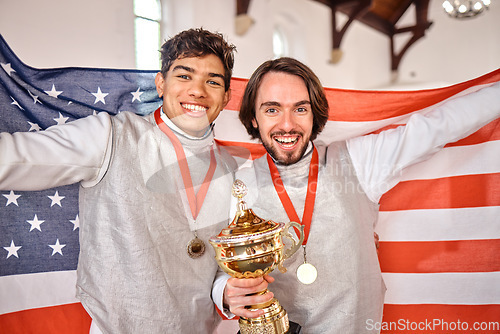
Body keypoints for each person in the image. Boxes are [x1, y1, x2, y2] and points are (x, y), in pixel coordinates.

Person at [212, 57, 500, 333]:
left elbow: (438, 127)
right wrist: (225, 292)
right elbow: (219, 269)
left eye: (300, 109)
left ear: (315, 114)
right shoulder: (238, 184)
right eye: (272, 110)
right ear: (252, 117)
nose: (287, 125)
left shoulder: (360, 160)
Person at [0, 28, 237, 334]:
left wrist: (226, 292)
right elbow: (12, 158)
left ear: (226, 97)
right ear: (161, 84)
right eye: (184, 76)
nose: (198, 91)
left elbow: (219, 265)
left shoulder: (232, 168)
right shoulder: (110, 135)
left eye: (213, 81)